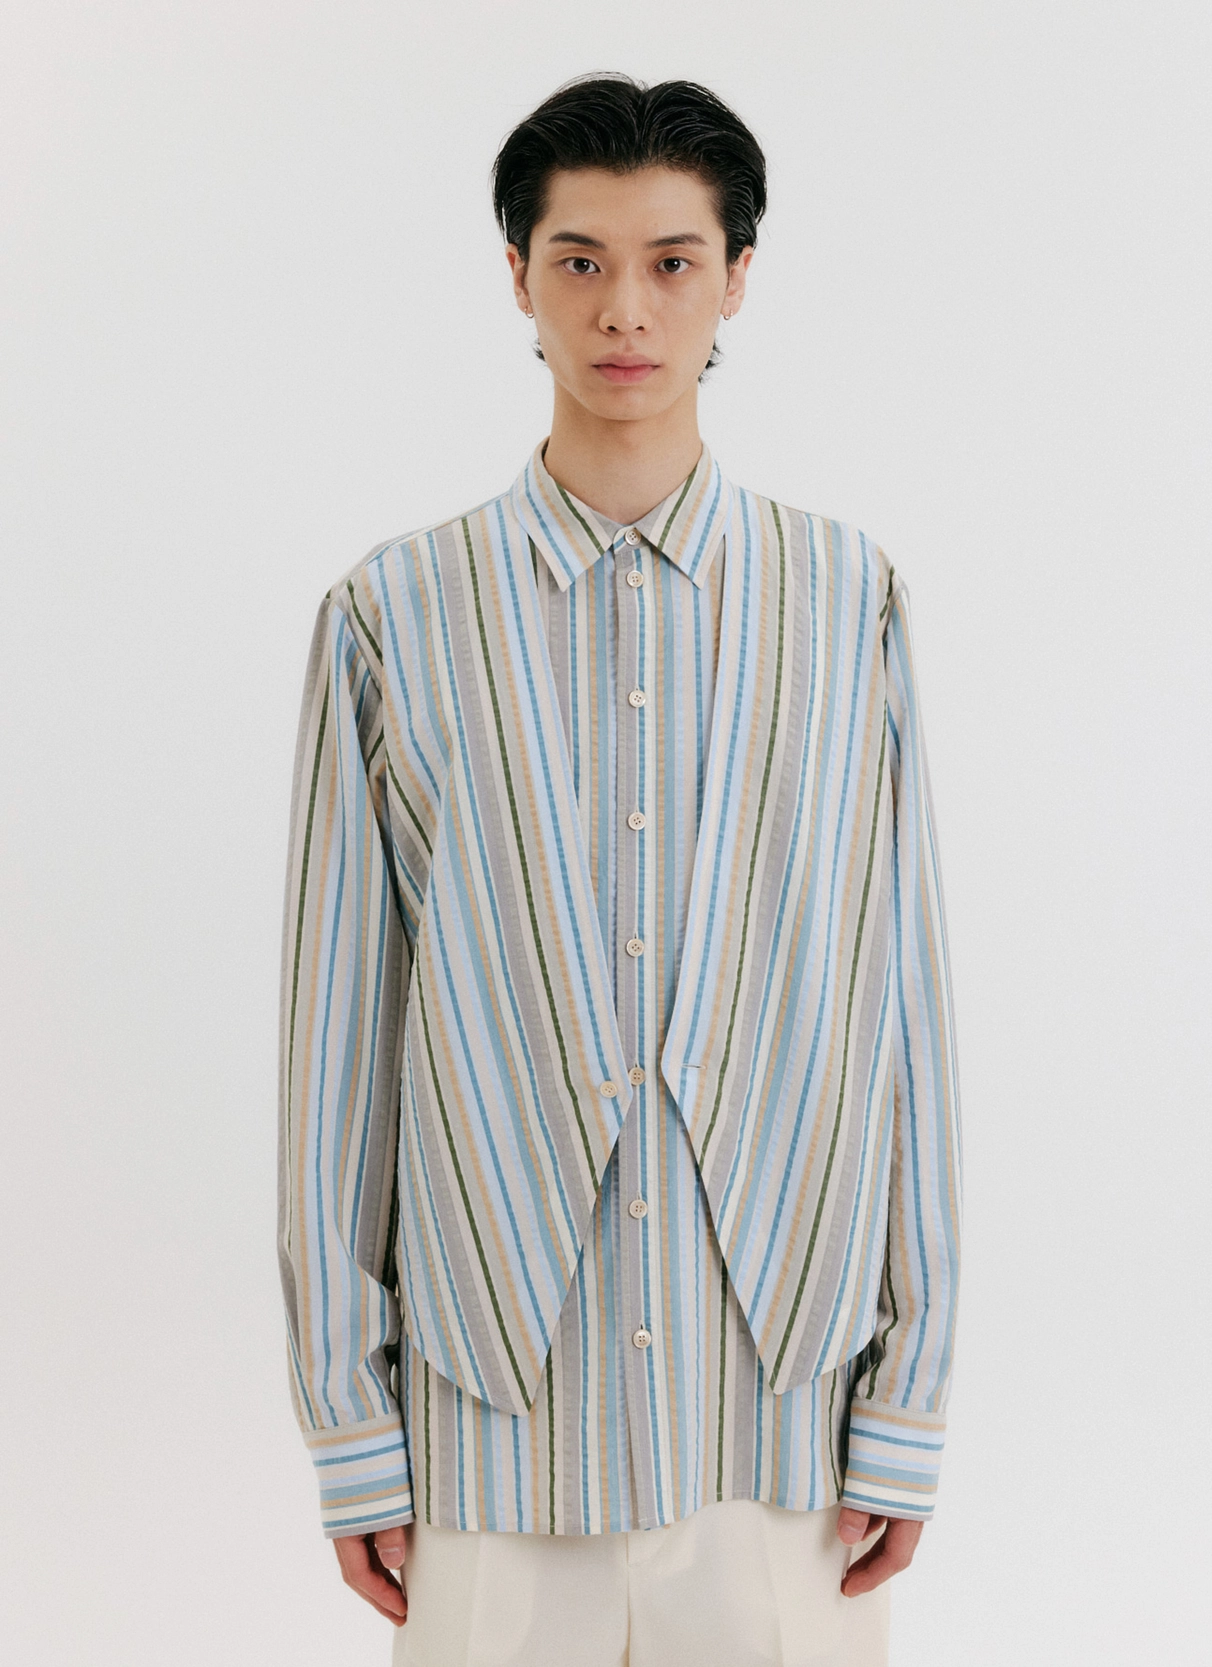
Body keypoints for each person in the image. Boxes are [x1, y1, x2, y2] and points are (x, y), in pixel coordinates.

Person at [277, 73, 962, 1667]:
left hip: (778, 1422)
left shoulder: (843, 597)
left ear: (737, 279)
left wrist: (910, 1387)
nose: (624, 309)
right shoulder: (394, 613)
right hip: (494, 1424)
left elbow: (900, 1011)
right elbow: (339, 1045)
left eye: (670, 261)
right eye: (578, 260)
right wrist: (349, 1422)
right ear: (516, 276)